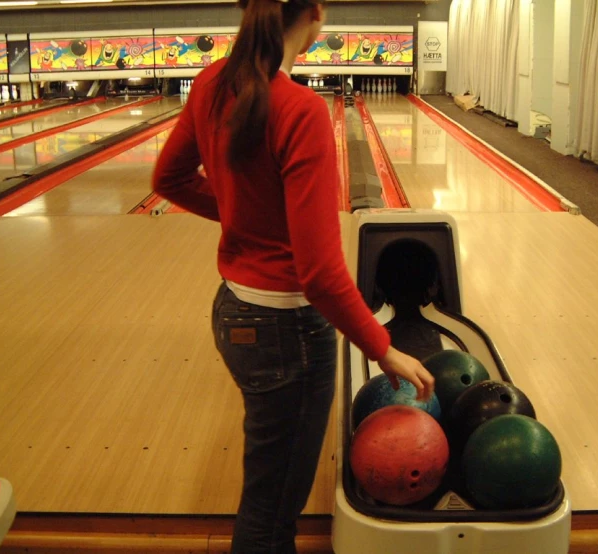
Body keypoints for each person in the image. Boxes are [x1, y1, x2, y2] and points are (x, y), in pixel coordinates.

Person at [151, 0, 435, 552]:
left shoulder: (209, 81)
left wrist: (239, 212)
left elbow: (169, 178)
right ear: (316, 14)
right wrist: (383, 348)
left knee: (269, 489)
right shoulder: (300, 110)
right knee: (271, 507)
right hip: (289, 336)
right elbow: (321, 275)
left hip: (233, 310)